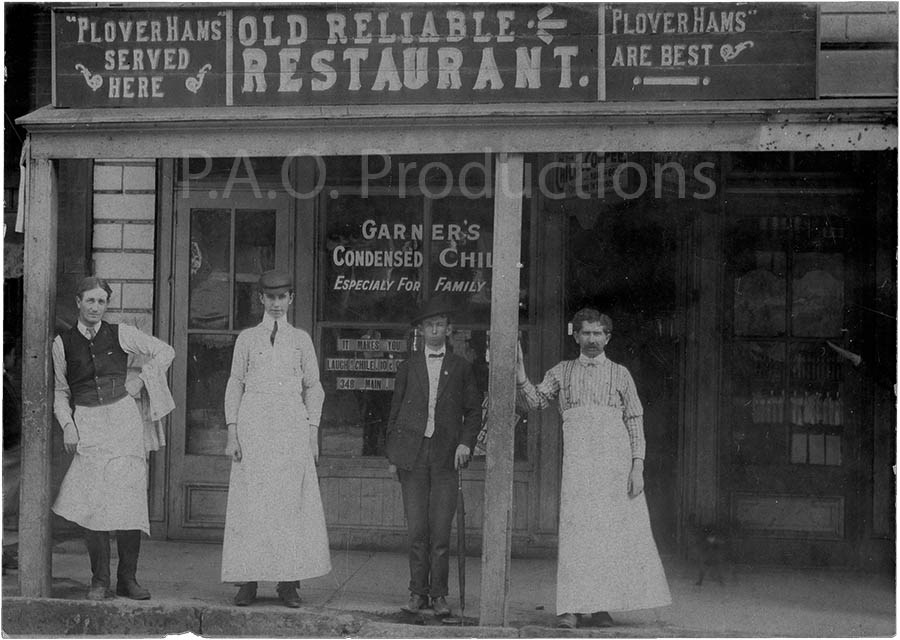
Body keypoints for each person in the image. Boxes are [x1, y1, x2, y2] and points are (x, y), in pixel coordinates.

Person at [516, 308, 671, 628]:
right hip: (579, 464)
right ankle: (571, 607)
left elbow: (634, 421)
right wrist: (519, 373)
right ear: (575, 335)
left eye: (598, 333)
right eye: (585, 333)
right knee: (577, 532)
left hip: (613, 464)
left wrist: (636, 468)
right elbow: (534, 402)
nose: (591, 339)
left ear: (608, 337)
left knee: (608, 534)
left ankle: (600, 607)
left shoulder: (621, 374)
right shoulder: (562, 372)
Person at [51, 276, 175, 600]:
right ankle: (99, 580)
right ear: (78, 301)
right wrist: (68, 425)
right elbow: (61, 393)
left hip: (123, 420)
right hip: (88, 422)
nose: (95, 308)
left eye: (101, 302)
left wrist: (140, 382)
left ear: (107, 305)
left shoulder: (120, 333)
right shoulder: (62, 343)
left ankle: (127, 579)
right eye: (89, 301)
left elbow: (165, 351)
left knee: (128, 501)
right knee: (94, 503)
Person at [221, 269, 331, 607]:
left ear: (291, 298)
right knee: (251, 505)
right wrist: (233, 433)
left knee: (288, 506)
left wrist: (312, 433)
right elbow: (234, 383)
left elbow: (314, 387)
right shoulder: (247, 339)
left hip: (290, 429)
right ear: (261, 299)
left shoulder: (300, 340)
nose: (277, 303)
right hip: (254, 428)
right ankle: (248, 581)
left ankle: (288, 584)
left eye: (282, 297)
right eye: (271, 297)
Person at [385, 297, 481, 617]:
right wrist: (393, 455)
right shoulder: (407, 367)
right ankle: (417, 593)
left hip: (445, 457)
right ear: (421, 330)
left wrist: (465, 444)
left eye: (440, 324)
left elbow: (473, 412)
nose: (434, 329)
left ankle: (439, 594)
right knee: (417, 531)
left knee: (440, 531)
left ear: (449, 329)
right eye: (429, 325)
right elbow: (395, 413)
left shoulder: (461, 367)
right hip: (413, 456)